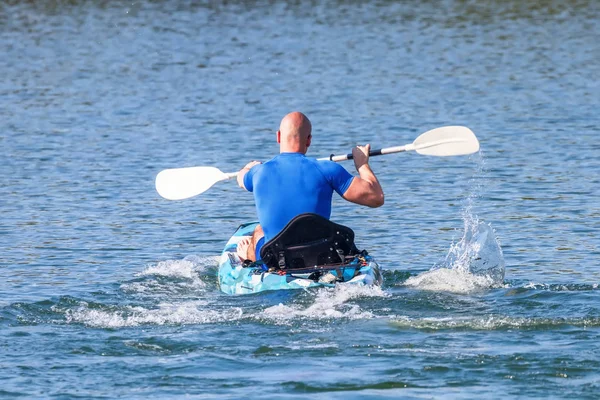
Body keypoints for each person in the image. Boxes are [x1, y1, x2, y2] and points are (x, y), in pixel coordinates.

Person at [236, 111, 384, 261]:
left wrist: (248, 168)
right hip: (319, 256)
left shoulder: (258, 172)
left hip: (277, 259)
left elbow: (241, 179)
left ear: (278, 137)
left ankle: (247, 256)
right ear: (308, 140)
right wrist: (362, 164)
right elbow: (376, 198)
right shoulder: (328, 169)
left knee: (258, 231)